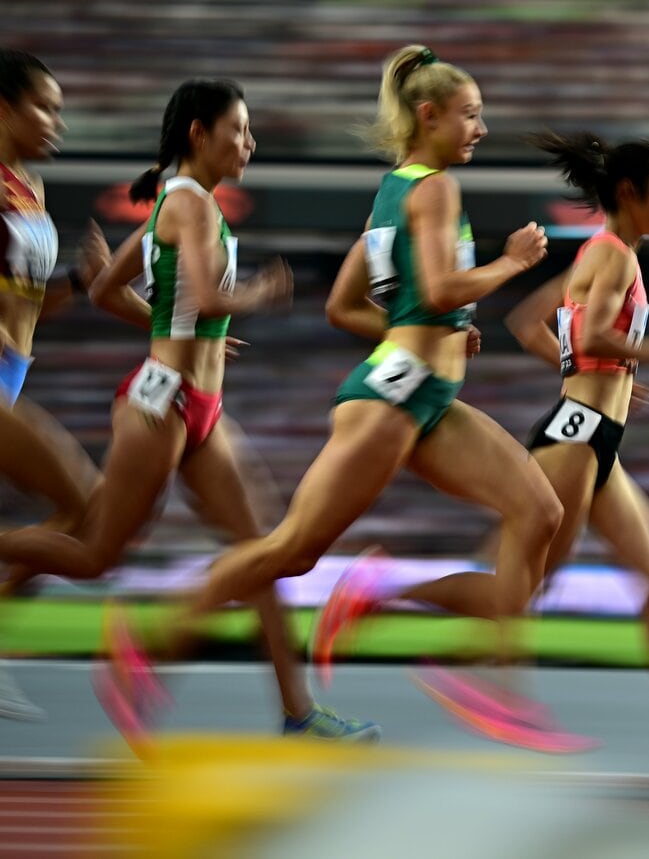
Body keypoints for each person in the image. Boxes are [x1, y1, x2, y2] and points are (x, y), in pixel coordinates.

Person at [91, 46, 569, 751]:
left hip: (423, 392)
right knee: (289, 548)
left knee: (540, 510)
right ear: (428, 116)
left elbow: (347, 308)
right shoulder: (433, 189)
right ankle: (151, 638)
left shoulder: (393, 191)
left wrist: (433, 327)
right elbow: (436, 289)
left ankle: (484, 676)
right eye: (471, 115)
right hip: (391, 399)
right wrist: (511, 262)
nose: (482, 128)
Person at [316, 130, 649, 770]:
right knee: (517, 593)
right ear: (629, 192)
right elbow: (589, 333)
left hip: (594, 435)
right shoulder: (613, 256)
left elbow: (530, 323)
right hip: (578, 435)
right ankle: (387, 597)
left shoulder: (604, 254)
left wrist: (604, 371)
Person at [0, 76, 378, 743]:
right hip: (161, 403)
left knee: (260, 550)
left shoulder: (189, 203)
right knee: (95, 555)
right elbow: (205, 293)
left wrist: (191, 334)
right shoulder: (189, 203)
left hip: (198, 402)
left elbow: (110, 290)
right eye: (239, 129)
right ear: (200, 133)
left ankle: (299, 712)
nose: (250, 142)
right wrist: (258, 293)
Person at [0, 47, 110, 719]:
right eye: (44, 107)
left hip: (14, 369)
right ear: (4, 107)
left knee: (85, 517)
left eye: (60, 111)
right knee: (91, 504)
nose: (56, 124)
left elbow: (29, 303)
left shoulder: (30, 190)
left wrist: (81, 282)